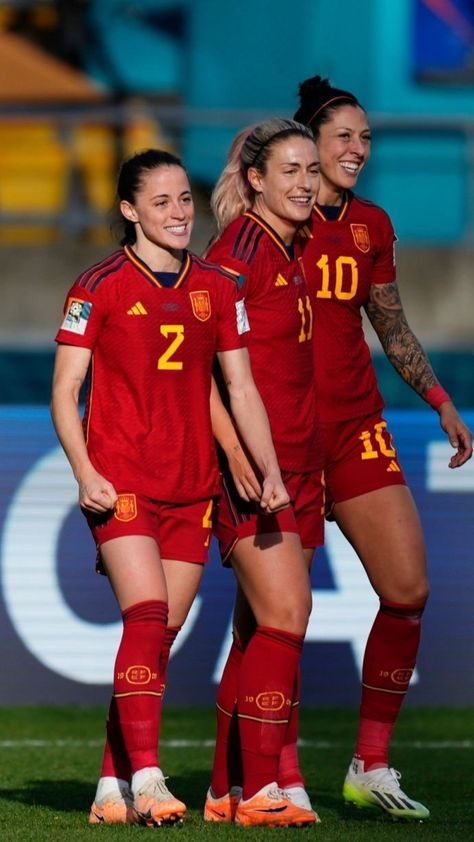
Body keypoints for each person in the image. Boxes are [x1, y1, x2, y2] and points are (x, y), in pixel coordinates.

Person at [50, 148, 291, 827]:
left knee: (158, 640)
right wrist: (86, 472)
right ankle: (149, 780)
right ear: (130, 210)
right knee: (148, 615)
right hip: (122, 478)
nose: (179, 212)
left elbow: (240, 387)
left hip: (192, 486)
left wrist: (267, 468)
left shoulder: (218, 286)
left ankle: (110, 787)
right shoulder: (95, 286)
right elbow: (65, 392)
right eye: (161, 202)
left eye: (185, 198)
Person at [291, 75, 473, 821]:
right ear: (308, 143)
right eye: (344, 135)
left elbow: (389, 325)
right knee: (274, 615)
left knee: (407, 589)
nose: (358, 148)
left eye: (365, 137)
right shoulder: (269, 223)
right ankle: (264, 774)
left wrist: (440, 400)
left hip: (358, 426)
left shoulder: (372, 225)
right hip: (286, 436)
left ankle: (369, 764)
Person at [202, 119, 324, 827]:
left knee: (258, 631)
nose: (305, 183)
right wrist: (241, 457)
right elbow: (203, 373)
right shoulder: (237, 253)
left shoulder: (291, 247)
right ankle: (260, 792)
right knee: (285, 616)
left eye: (311, 169)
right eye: (290, 170)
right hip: (258, 471)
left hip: (301, 466)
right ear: (255, 179)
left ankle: (224, 791)